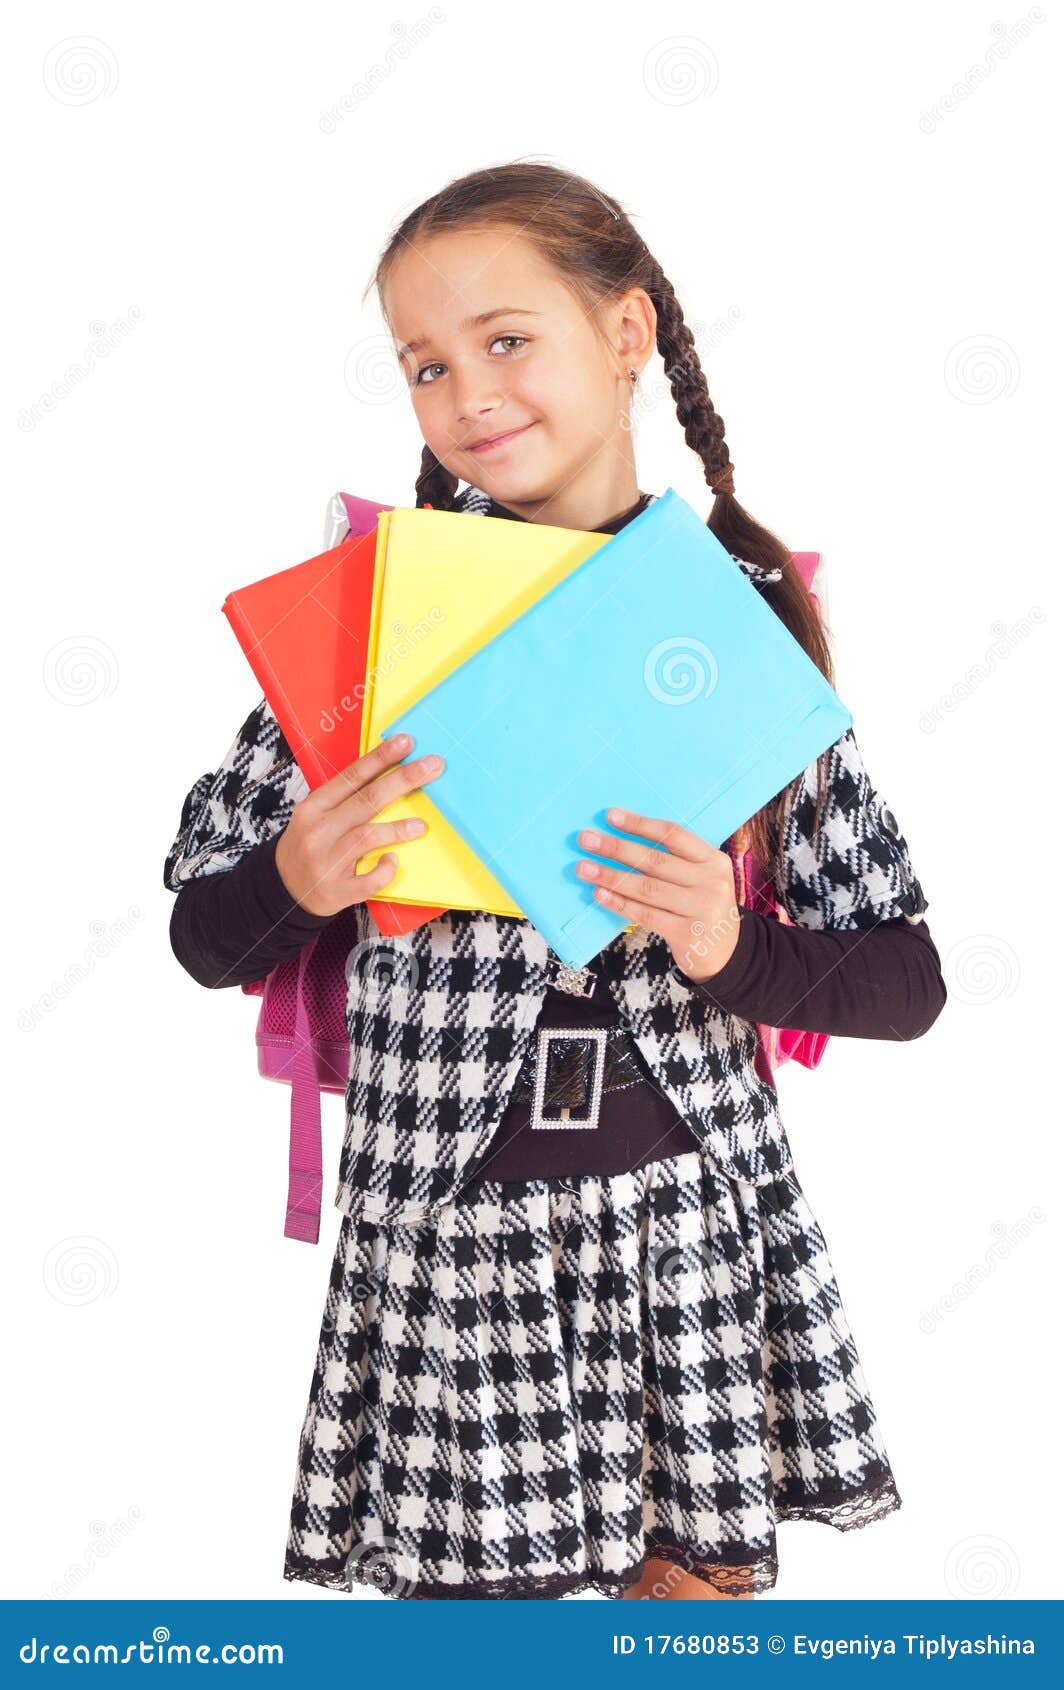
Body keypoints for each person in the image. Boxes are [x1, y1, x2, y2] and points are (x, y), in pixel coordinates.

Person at [163, 163, 947, 1601]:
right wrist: (297, 870)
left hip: (686, 1241)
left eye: (506, 339)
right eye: (425, 364)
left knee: (684, 1628)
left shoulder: (738, 635)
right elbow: (204, 931)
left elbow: (908, 976)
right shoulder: (373, 636)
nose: (468, 391)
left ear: (628, 332)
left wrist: (729, 943)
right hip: (453, 1254)